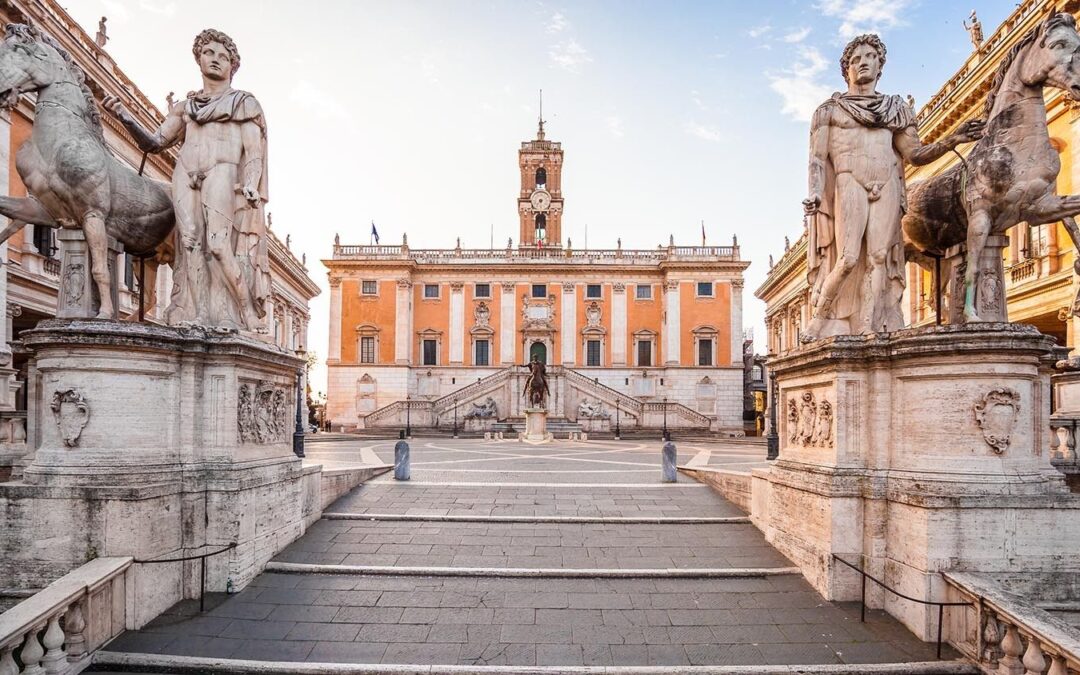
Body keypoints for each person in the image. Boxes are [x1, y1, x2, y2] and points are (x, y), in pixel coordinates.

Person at [802, 34, 983, 340]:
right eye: (856, 59)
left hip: (885, 182)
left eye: (870, 57)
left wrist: (953, 139)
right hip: (849, 181)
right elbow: (817, 160)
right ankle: (819, 319)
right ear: (846, 68)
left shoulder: (895, 109)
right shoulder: (828, 111)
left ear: (880, 65)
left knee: (878, 258)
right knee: (847, 258)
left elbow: (915, 155)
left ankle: (869, 326)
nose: (863, 63)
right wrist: (816, 193)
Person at [102, 29, 269, 332]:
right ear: (199, 59)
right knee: (189, 244)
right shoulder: (186, 107)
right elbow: (155, 143)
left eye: (223, 56)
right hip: (185, 173)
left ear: (233, 65)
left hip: (224, 171)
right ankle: (200, 314)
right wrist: (126, 117)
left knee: (218, 244)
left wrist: (251, 183)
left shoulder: (244, 103)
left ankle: (246, 309)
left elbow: (254, 151)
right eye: (209, 53)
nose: (216, 60)